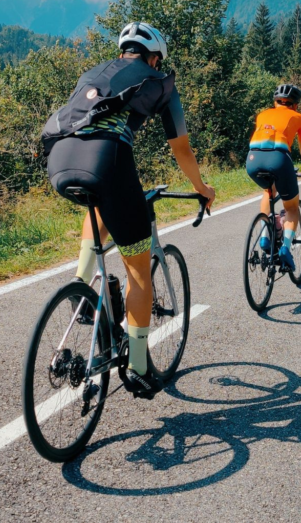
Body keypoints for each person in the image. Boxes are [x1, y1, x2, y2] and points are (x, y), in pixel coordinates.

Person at [44, 21, 215, 399]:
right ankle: (138, 367)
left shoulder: (94, 74)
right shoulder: (159, 82)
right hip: (110, 159)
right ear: (155, 58)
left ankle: (81, 288)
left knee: (100, 205)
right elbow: (181, 149)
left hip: (62, 160)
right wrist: (202, 188)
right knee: (138, 271)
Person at [245, 84, 301, 272]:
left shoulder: (262, 115)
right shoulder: (299, 117)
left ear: (275, 101)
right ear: (296, 105)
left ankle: (265, 233)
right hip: (279, 159)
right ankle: (286, 248)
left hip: (252, 160)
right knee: (292, 207)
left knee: (269, 191)